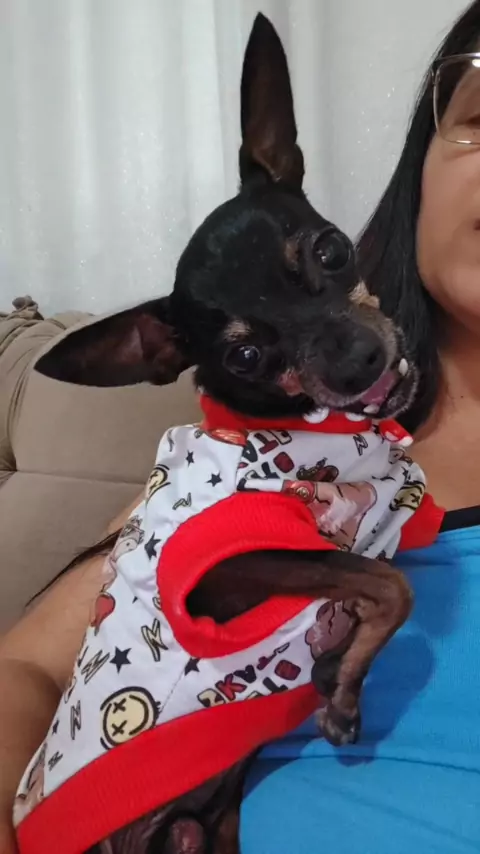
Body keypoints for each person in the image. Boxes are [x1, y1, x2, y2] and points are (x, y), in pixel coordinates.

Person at [1, 1, 480, 851]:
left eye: (323, 261)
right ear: (426, 150)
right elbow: (31, 664)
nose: (345, 354)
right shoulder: (243, 465)